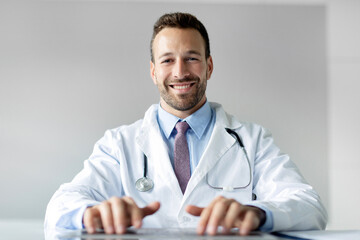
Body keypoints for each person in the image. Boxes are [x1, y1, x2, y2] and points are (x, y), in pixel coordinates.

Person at [45, 12, 327, 236]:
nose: (180, 72)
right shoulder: (119, 144)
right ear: (154, 71)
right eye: (168, 60)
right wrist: (90, 214)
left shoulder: (252, 140)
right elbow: (60, 206)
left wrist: (257, 213)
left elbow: (309, 206)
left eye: (191, 58)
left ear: (209, 66)